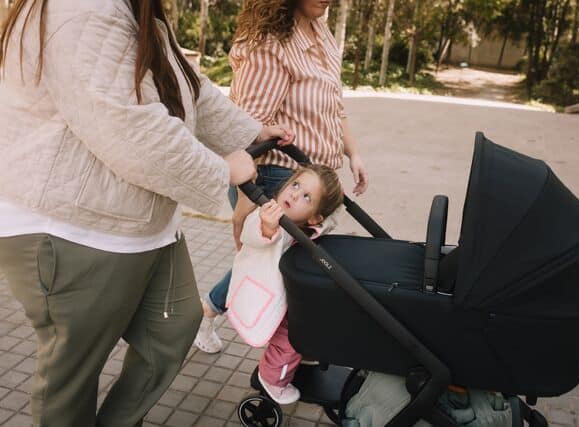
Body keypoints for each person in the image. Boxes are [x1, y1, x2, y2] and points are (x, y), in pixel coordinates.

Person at [0, 0, 292, 425]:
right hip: (74, 227)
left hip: (137, 221)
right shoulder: (83, 9)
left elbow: (187, 87)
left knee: (172, 329)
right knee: (72, 374)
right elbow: (128, 124)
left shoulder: (133, 8)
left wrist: (250, 132)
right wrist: (222, 169)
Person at [195, 0, 369, 354]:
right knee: (269, 268)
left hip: (315, 180)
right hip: (278, 179)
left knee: (284, 268)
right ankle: (273, 348)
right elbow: (243, 127)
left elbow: (335, 105)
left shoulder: (319, 31)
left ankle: (215, 316)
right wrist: (245, 204)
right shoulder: (271, 45)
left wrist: (353, 152)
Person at [226, 165, 343, 404]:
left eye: (306, 196)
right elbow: (250, 235)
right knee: (288, 340)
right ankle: (271, 379)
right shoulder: (267, 216)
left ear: (315, 216)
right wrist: (267, 229)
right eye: (295, 185)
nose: (294, 194)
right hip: (267, 296)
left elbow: (327, 223)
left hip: (289, 295)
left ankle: (303, 352)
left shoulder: (304, 224)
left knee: (306, 325)